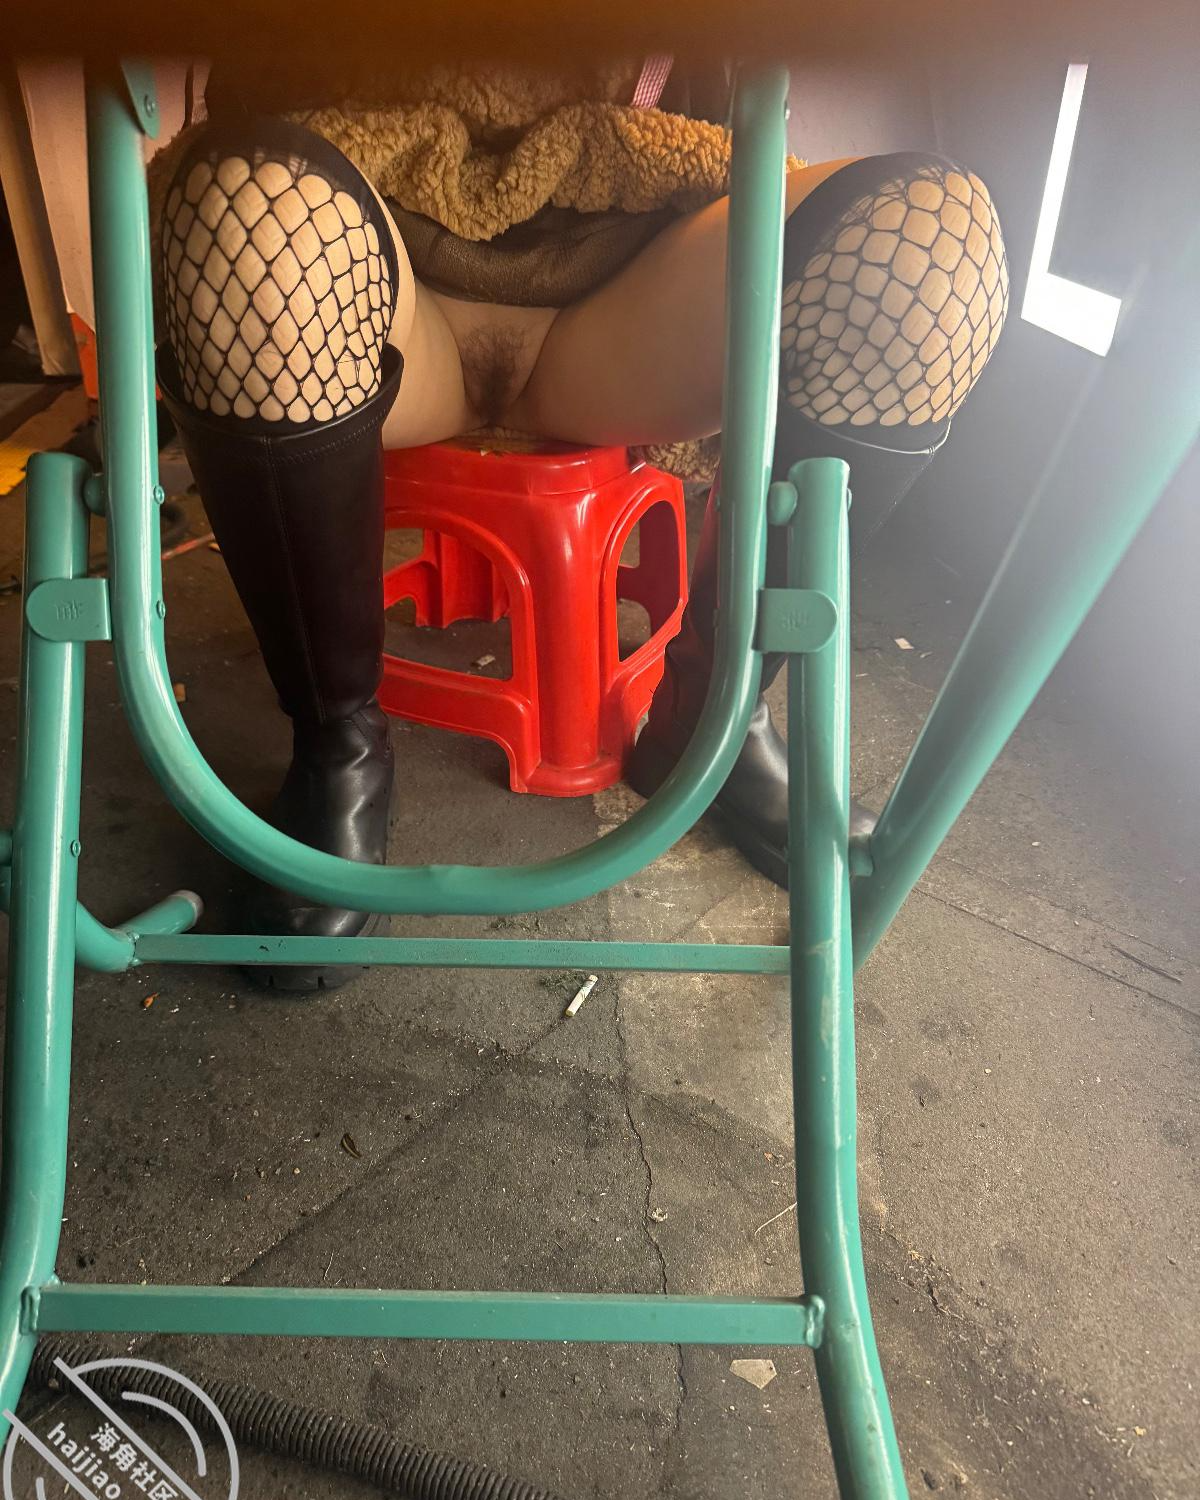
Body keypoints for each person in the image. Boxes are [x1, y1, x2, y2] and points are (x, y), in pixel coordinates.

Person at [153, 58, 1007, 989]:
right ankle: (336, 745)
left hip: (629, 281)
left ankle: (714, 715)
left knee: (932, 247)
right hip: (372, 264)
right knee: (244, 211)